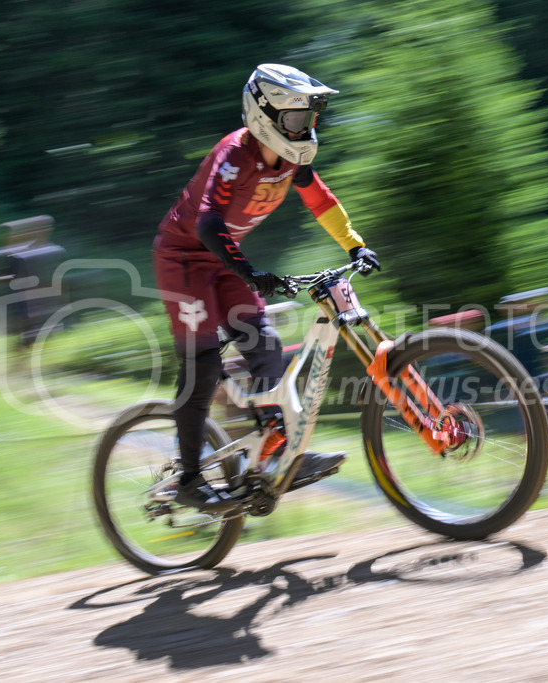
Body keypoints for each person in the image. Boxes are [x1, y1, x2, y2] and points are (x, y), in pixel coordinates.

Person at [153, 64, 380, 511]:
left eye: (309, 119)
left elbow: (320, 200)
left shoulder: (291, 161)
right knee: (200, 365)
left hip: (223, 260)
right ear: (264, 116)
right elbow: (208, 223)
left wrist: (356, 247)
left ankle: (276, 453)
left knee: (266, 349)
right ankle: (189, 478)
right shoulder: (234, 155)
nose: (305, 128)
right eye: (296, 119)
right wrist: (250, 271)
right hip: (184, 257)